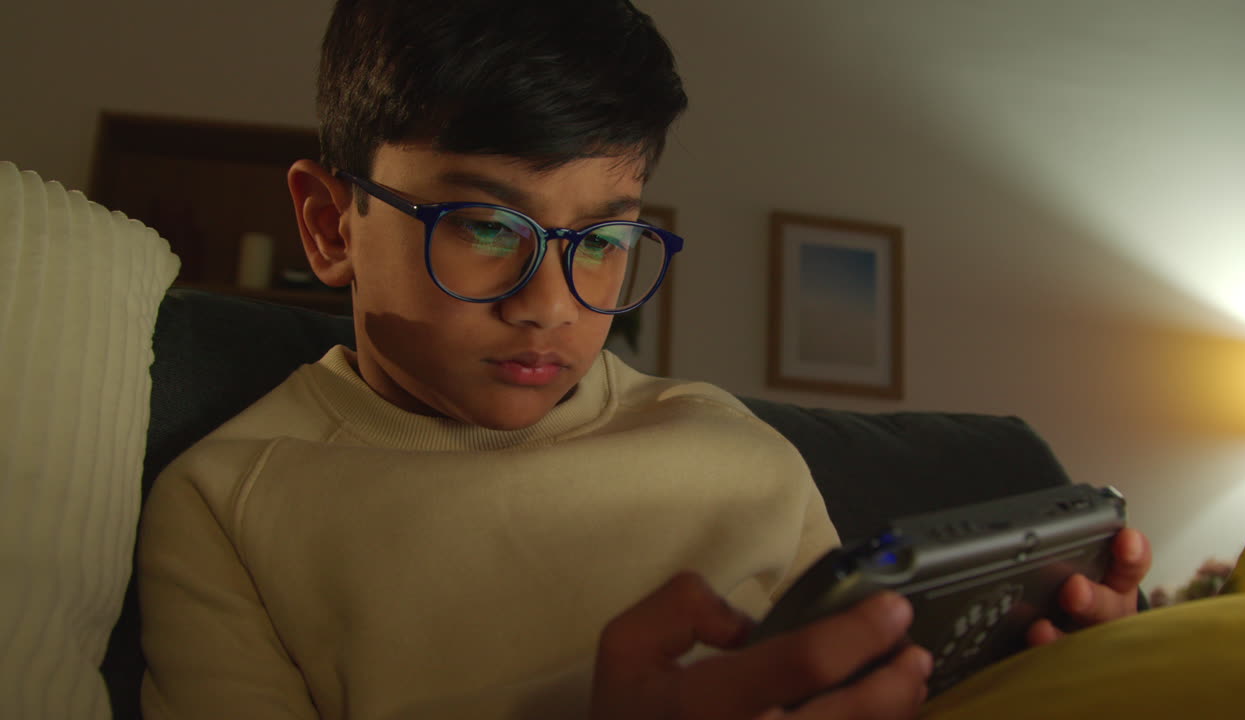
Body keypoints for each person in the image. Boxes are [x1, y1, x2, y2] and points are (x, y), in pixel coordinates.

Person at [136, 1, 1151, 718]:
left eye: (603, 241)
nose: (549, 308)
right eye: (486, 227)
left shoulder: (731, 447)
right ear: (329, 225)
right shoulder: (224, 504)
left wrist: (1057, 671)